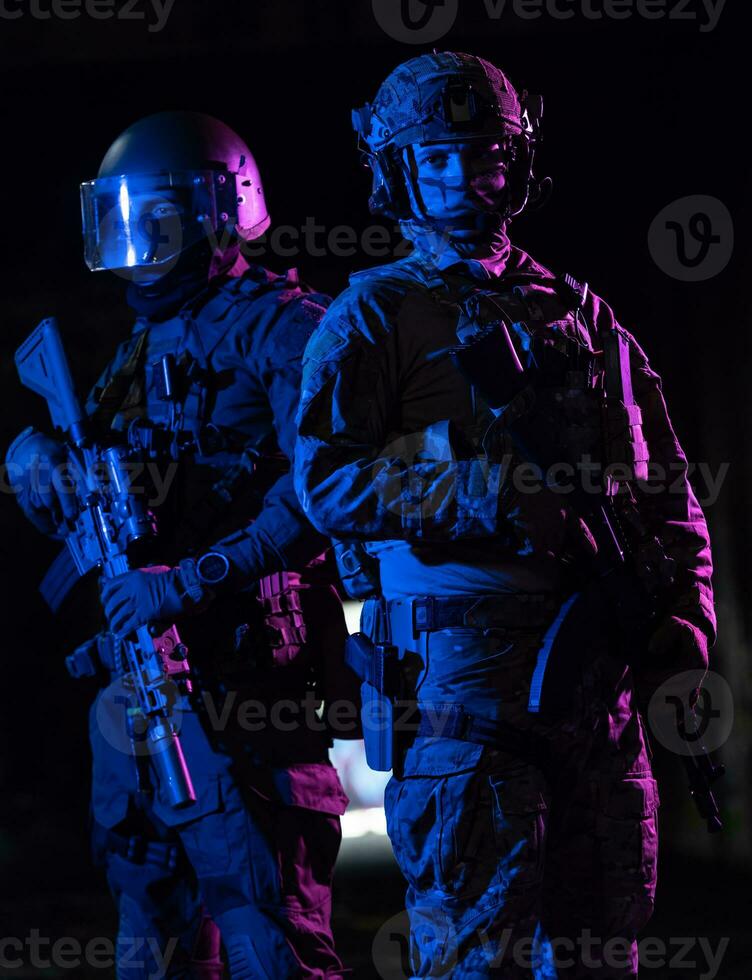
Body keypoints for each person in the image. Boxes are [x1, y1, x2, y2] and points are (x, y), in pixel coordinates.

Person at [294, 53, 716, 978]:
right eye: (437, 158)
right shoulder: (376, 315)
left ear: (517, 166)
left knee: (605, 951)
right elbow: (327, 485)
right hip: (463, 689)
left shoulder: (581, 313)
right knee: (476, 955)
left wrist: (686, 619)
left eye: (484, 155)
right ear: (399, 170)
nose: (462, 178)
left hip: (595, 685)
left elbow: (668, 489)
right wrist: (481, 486)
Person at [6, 110, 352, 979]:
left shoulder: (291, 329)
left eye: (157, 217)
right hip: (139, 695)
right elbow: (105, 481)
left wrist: (192, 580)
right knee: (150, 940)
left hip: (242, 696)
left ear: (221, 209)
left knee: (269, 938)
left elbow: (325, 494)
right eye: (121, 220)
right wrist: (37, 465)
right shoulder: (140, 342)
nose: (137, 241)